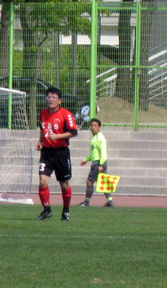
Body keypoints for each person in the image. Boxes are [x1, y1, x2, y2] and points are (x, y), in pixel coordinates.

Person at [35, 86, 78, 221]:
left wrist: (57, 137)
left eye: (53, 97)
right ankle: (46, 210)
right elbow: (43, 129)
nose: (50, 100)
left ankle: (66, 211)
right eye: (48, 97)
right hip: (46, 152)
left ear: (60, 100)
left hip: (61, 152)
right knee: (43, 181)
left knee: (64, 184)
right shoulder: (43, 113)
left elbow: (73, 132)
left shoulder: (66, 114)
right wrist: (40, 141)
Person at [77, 118, 114, 207]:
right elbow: (94, 153)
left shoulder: (100, 137)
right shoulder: (95, 137)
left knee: (89, 181)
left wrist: (100, 164)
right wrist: (86, 160)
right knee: (103, 182)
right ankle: (110, 202)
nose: (93, 127)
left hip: (98, 163)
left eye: (95, 125)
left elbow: (103, 152)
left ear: (99, 127)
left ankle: (86, 202)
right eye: (92, 125)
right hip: (97, 162)